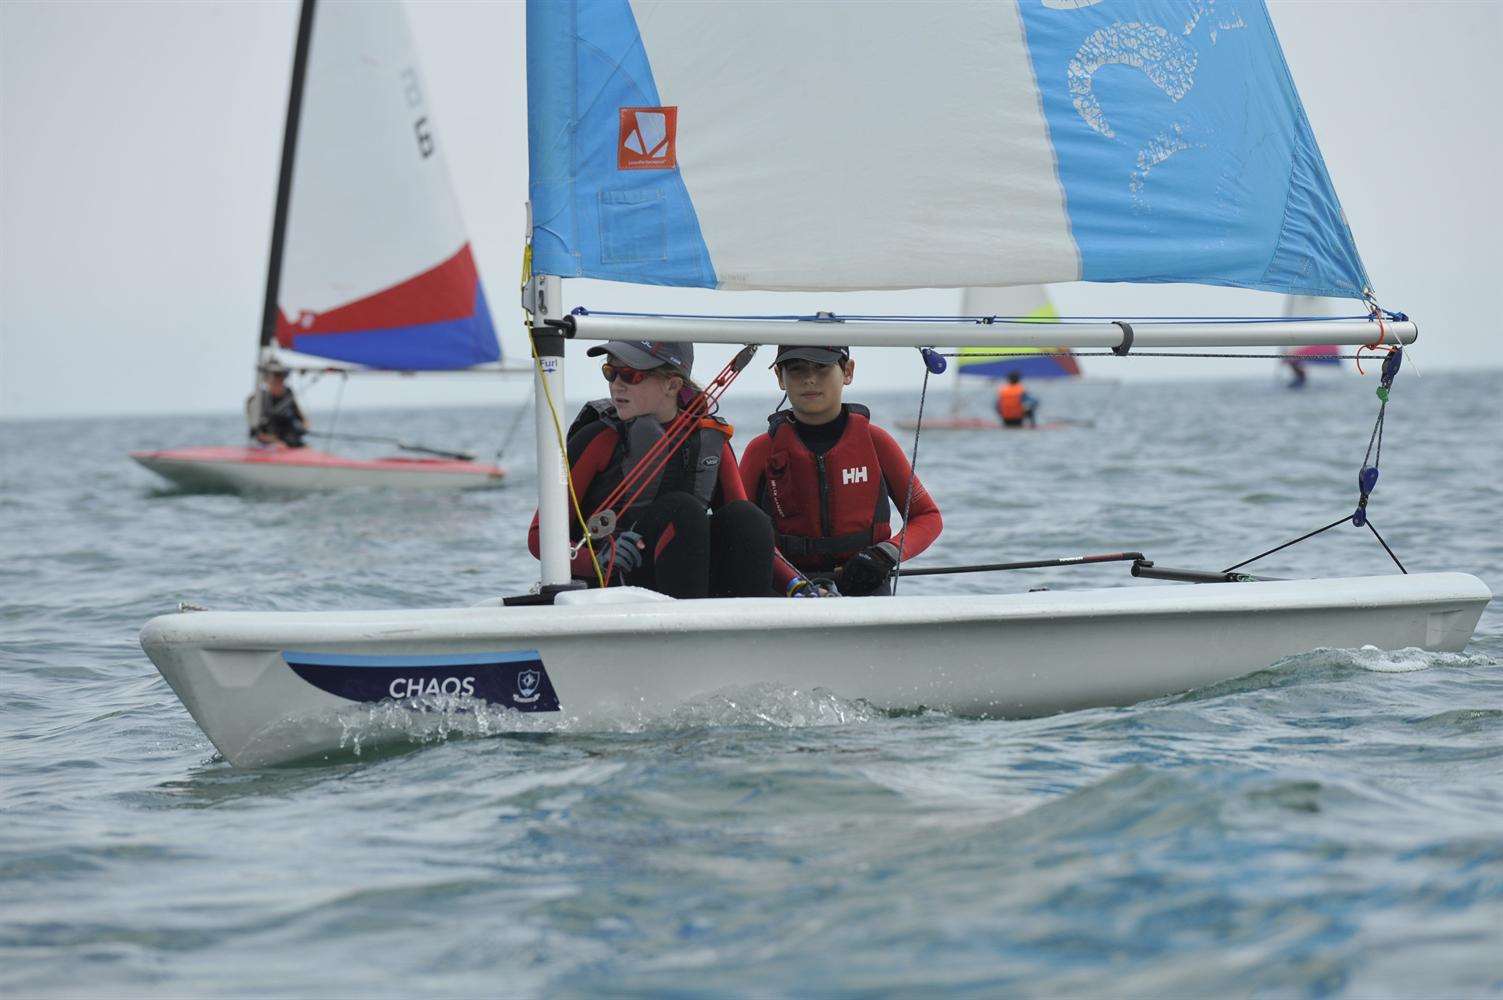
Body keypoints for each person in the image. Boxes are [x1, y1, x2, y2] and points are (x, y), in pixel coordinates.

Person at [526, 339, 795, 599]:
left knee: (747, 516)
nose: (617, 385)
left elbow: (748, 532)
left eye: (631, 375)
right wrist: (596, 559)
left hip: (688, 577)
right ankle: (686, 631)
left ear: (672, 384)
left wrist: (794, 584)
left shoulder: (709, 440)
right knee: (683, 511)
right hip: (617, 584)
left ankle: (750, 625)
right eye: (610, 372)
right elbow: (539, 537)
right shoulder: (597, 439)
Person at [740, 345, 943, 597]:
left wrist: (885, 554)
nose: (809, 378)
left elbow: (928, 517)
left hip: (865, 584)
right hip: (787, 590)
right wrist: (792, 582)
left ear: (847, 371)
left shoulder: (876, 442)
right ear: (780, 377)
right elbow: (738, 531)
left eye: (822, 367)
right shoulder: (761, 450)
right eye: (796, 369)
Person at [246, 361, 309, 447]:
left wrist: (303, 427)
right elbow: (256, 433)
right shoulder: (256, 400)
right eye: (275, 378)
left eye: (281, 377)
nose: (279, 381)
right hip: (266, 445)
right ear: (266, 380)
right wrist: (276, 442)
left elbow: (303, 420)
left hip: (290, 442)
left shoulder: (288, 394)